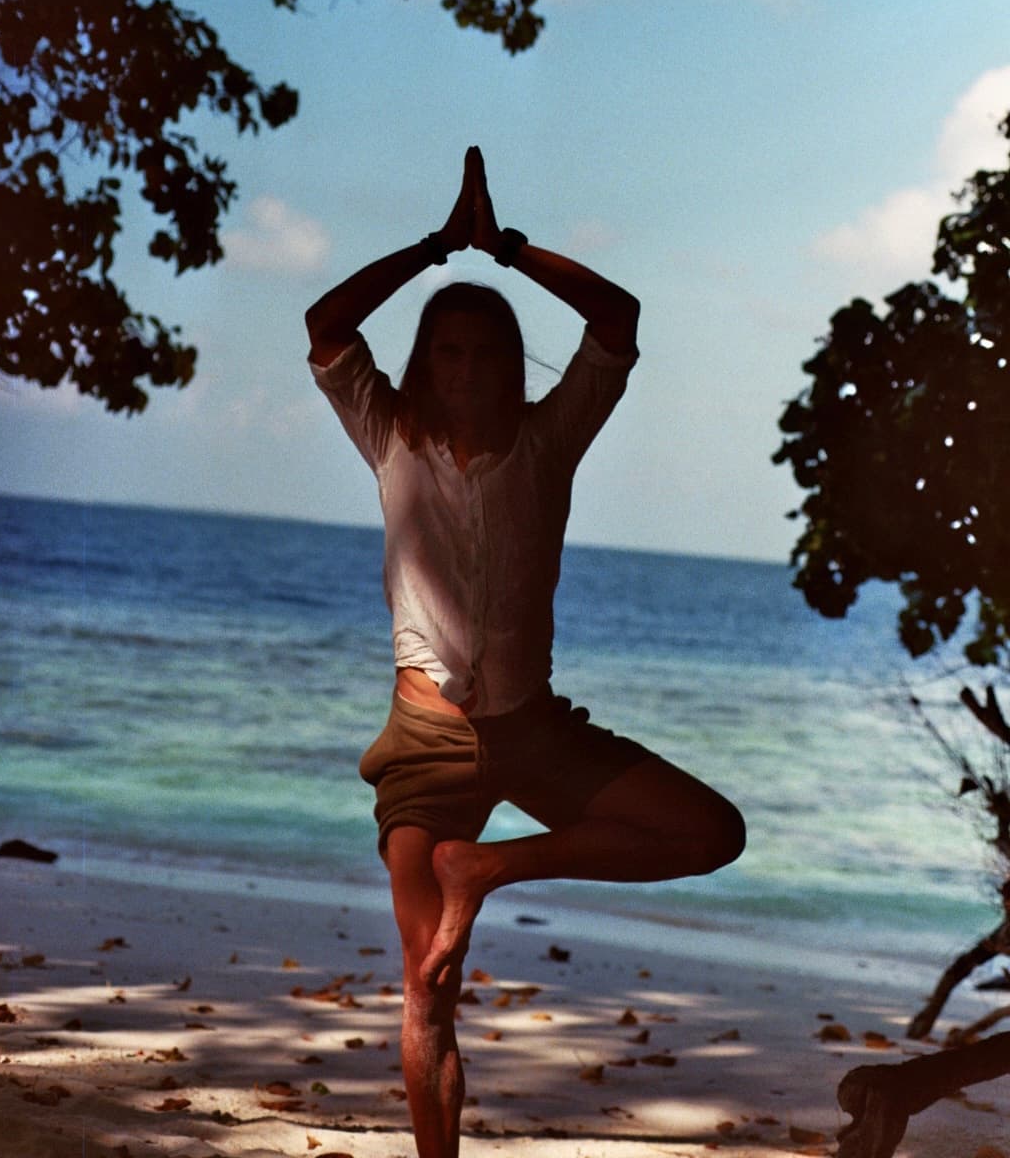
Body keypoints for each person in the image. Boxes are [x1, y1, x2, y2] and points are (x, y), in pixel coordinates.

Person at [305, 147, 745, 1158]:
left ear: (512, 363)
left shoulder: (551, 440)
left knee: (710, 832)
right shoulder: (388, 434)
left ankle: (487, 867)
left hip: (536, 730)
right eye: (446, 352)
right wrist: (430, 249)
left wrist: (505, 249)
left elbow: (617, 322)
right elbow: (327, 327)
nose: (464, 371)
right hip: (425, 741)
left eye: (485, 352)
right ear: (425, 362)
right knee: (427, 981)